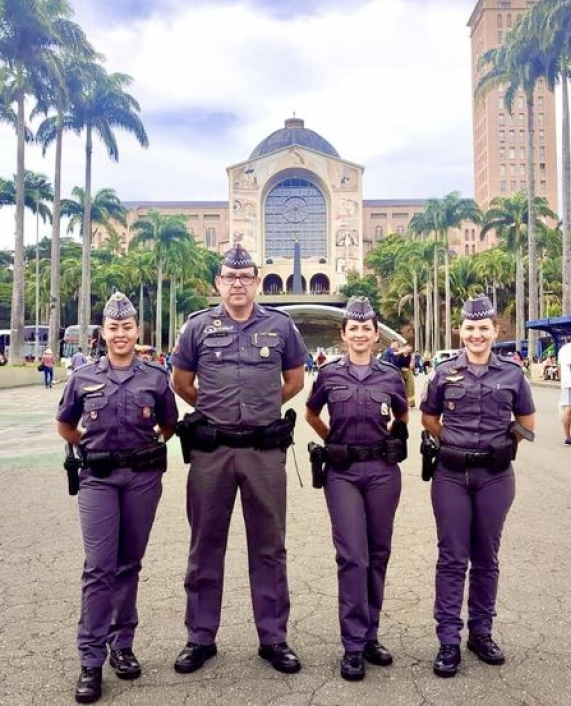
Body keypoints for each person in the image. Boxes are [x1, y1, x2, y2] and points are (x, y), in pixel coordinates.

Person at [171, 244, 309, 677]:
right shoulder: (197, 327)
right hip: (212, 452)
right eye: (230, 278)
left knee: (269, 547)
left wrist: (263, 407)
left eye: (246, 277)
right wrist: (214, 411)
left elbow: (294, 379)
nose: (237, 285)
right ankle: (200, 637)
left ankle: (273, 637)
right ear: (218, 283)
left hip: (263, 451)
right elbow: (182, 382)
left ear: (256, 281)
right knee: (205, 544)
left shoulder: (281, 326)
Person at [56, 292, 178, 704]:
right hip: (99, 479)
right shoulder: (83, 376)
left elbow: (168, 424)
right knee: (98, 567)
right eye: (114, 328)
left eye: (127, 327)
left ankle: (122, 646)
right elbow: (66, 426)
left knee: (129, 564)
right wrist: (93, 450)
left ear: (136, 331)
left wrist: (141, 450)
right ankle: (90, 660)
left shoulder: (155, 377)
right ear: (103, 333)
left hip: (143, 478)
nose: (121, 334)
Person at [420, 294, 535, 679]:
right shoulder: (443, 373)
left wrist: (506, 444)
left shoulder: (512, 374)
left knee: (486, 557)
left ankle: (481, 632)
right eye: (469, 328)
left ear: (495, 331)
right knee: (452, 557)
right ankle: (448, 639)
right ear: (461, 330)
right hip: (451, 475)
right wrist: (455, 444)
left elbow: (527, 422)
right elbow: (429, 419)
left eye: (483, 328)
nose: (476, 334)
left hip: (495, 477)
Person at [305, 296, 408, 681]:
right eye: (354, 328)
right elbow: (312, 412)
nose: (361, 334)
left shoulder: (390, 376)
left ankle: (370, 636)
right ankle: (351, 645)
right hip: (344, 472)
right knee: (353, 556)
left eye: (367, 328)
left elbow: (401, 413)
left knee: (378, 553)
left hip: (382, 471)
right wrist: (333, 441)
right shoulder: (330, 374)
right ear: (343, 334)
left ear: (376, 335)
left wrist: (393, 437)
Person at [395, 343, 416, 408]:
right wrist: (402, 351)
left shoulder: (410, 356)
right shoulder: (400, 354)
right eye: (408, 347)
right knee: (401, 387)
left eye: (410, 349)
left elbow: (411, 367)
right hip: (400, 372)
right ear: (405, 347)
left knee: (410, 387)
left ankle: (411, 403)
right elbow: (394, 354)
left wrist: (412, 359)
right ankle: (402, 402)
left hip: (408, 371)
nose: (409, 349)